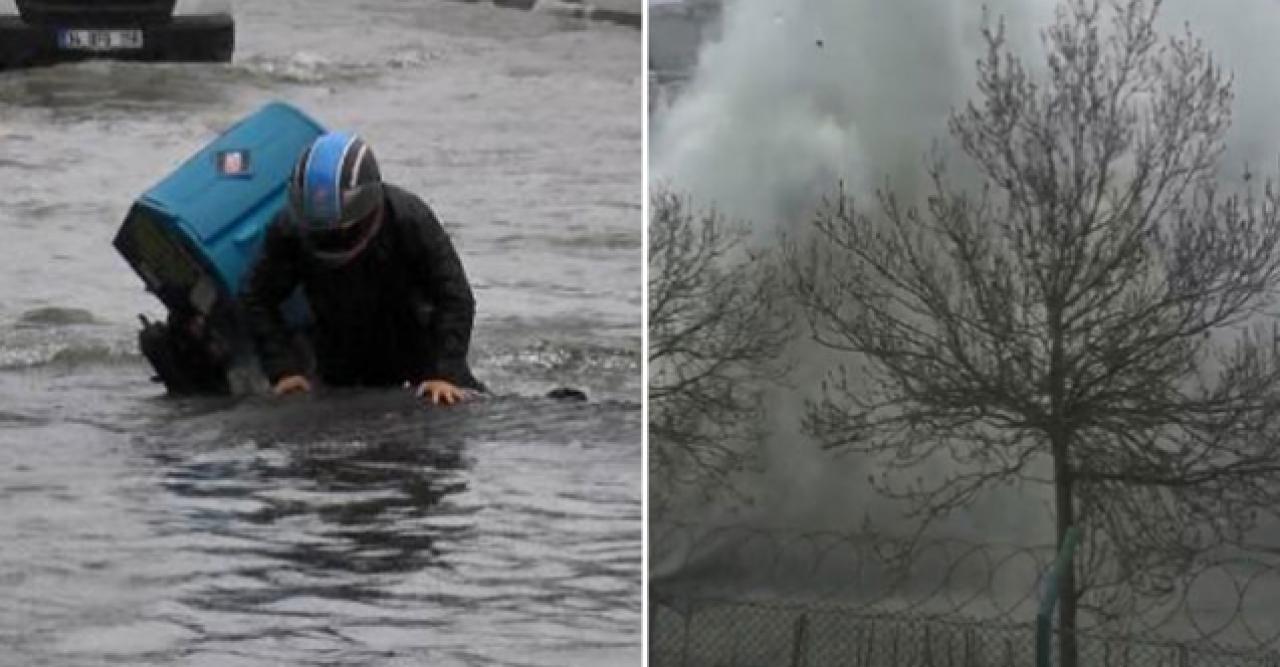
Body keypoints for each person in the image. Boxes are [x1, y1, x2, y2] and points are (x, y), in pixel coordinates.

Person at [240, 131, 484, 406]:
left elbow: (455, 296)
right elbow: (256, 295)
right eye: (321, 229)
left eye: (339, 228)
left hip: (415, 345)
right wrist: (283, 370)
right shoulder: (289, 229)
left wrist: (444, 373)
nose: (331, 236)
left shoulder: (410, 219)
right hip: (340, 351)